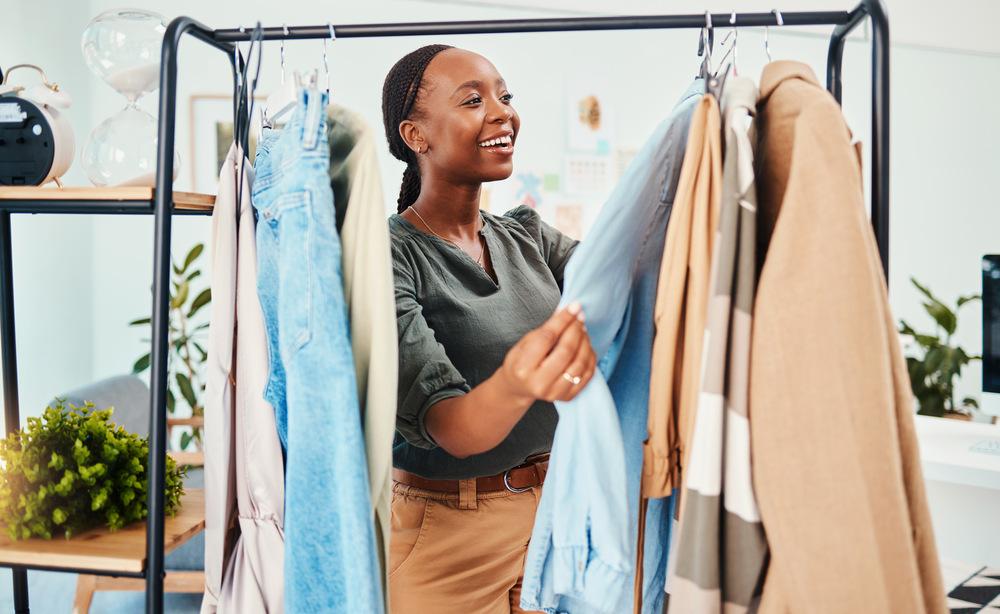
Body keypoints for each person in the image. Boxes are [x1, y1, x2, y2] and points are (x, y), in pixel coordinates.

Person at [382, 44, 598, 613]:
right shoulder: (391, 256)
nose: (502, 112)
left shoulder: (525, 235)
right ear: (416, 135)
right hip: (448, 539)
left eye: (505, 96)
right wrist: (523, 378)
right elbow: (451, 425)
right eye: (474, 100)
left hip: (557, 518)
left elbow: (619, 278)